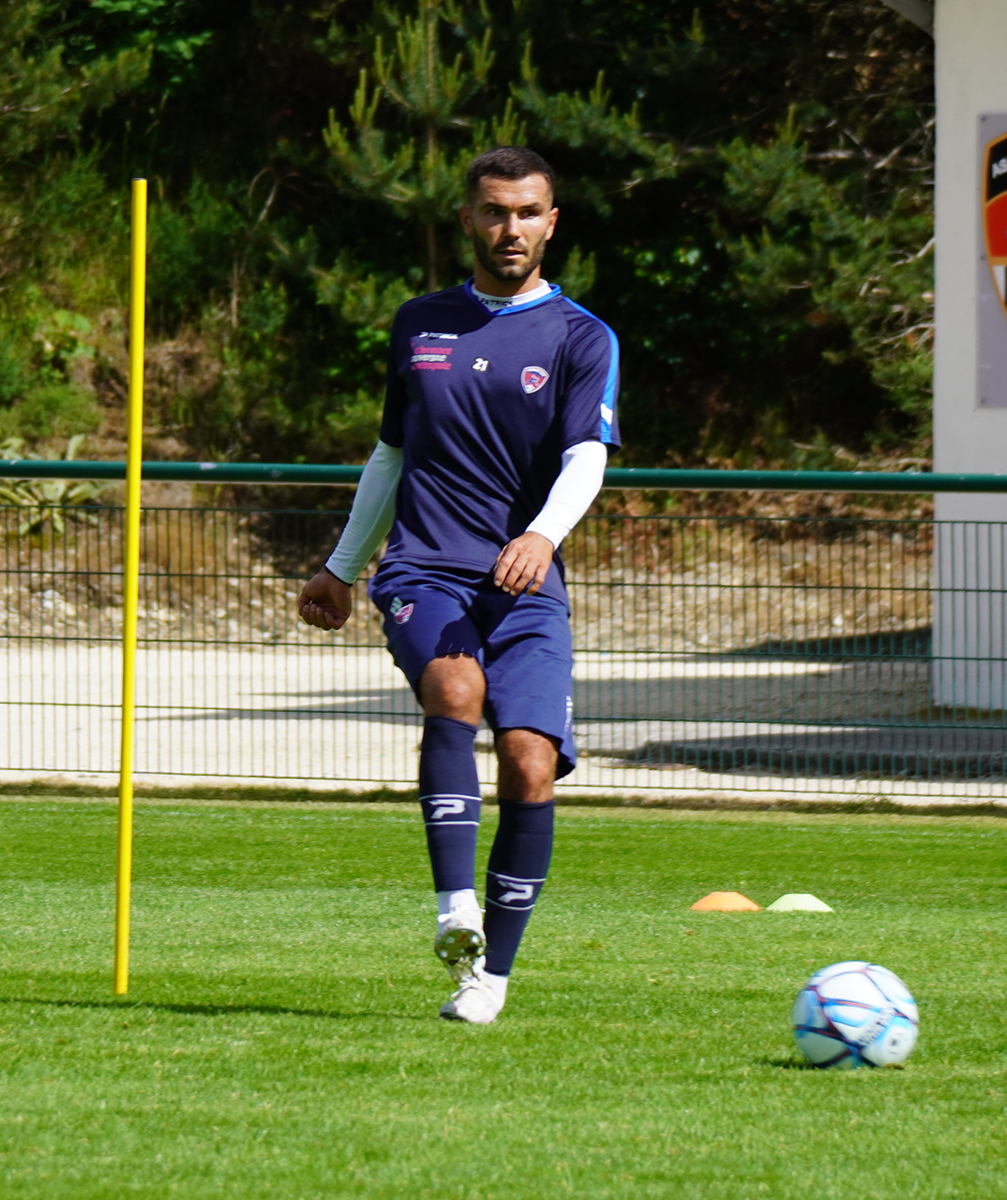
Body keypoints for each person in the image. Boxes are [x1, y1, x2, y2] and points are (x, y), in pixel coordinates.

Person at [295, 146, 620, 1024]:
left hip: (525, 578)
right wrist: (340, 565)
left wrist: (543, 536)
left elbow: (588, 457)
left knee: (530, 763)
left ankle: (490, 980)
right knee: (453, 686)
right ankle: (454, 909)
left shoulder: (582, 336)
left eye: (527, 213)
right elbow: (391, 452)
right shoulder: (419, 322)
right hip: (424, 566)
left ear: (552, 223)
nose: (508, 229)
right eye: (493, 211)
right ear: (468, 219)